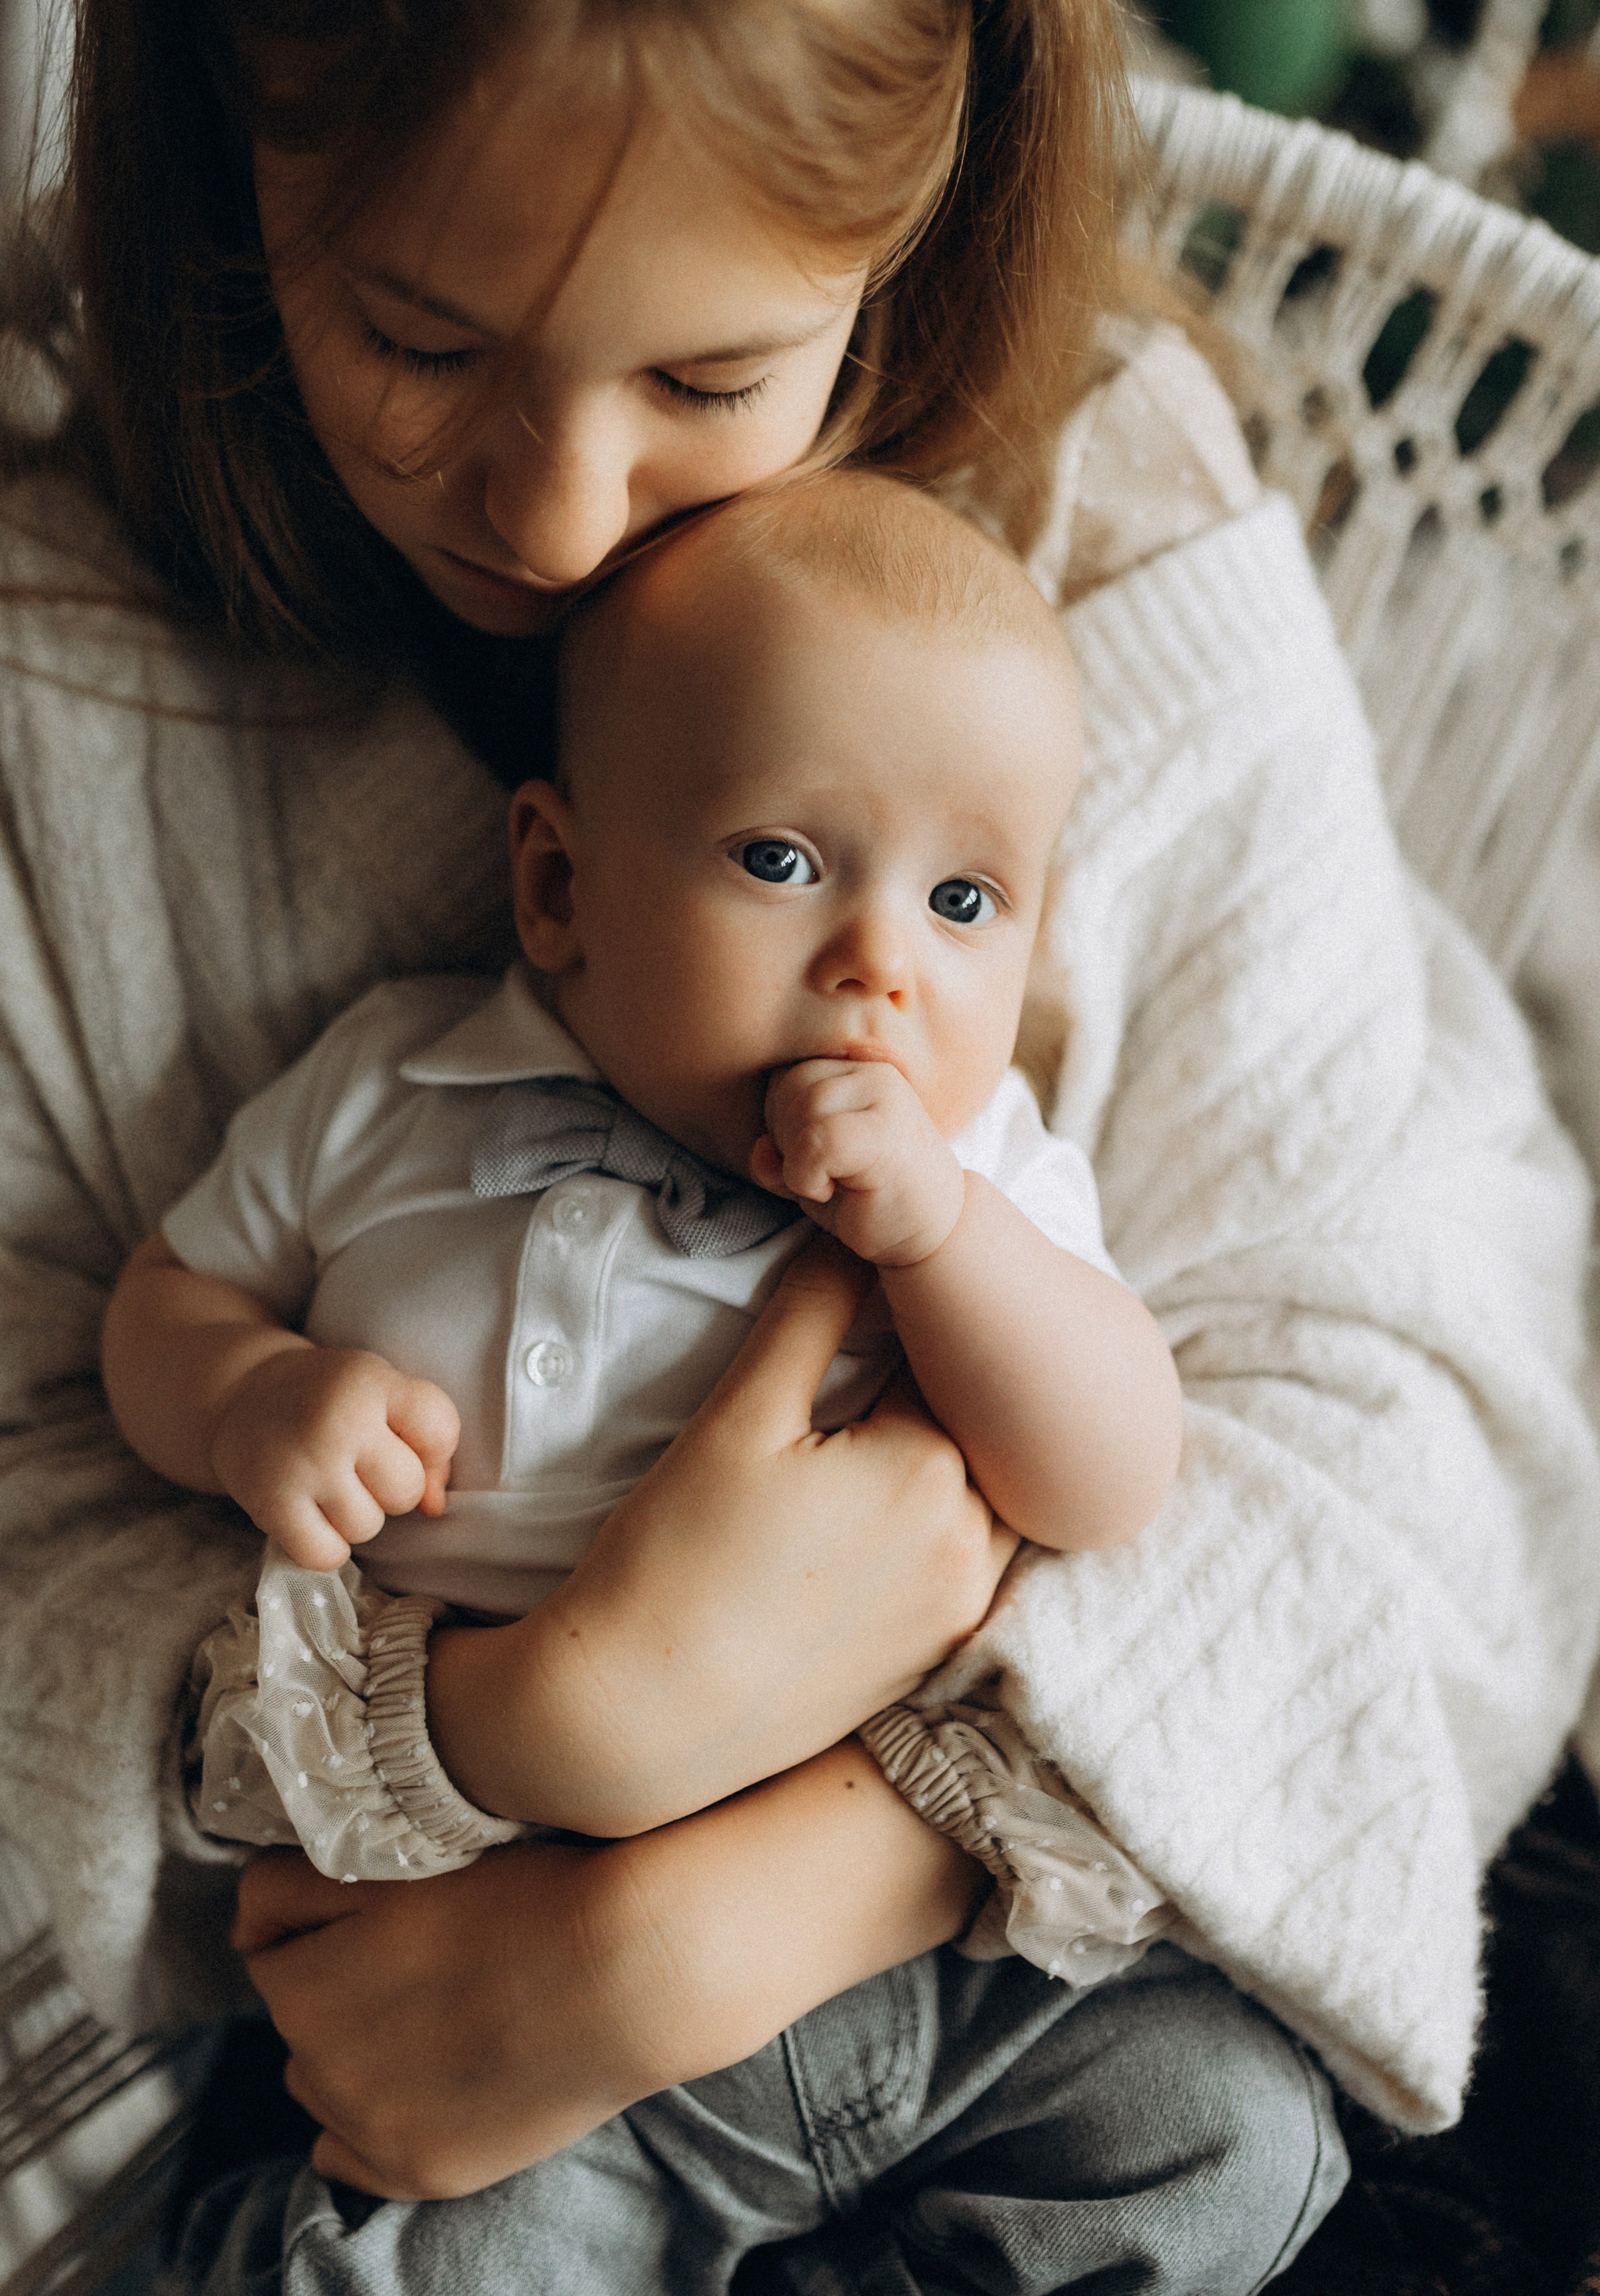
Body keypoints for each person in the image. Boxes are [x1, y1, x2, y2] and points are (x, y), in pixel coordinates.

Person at [0, 0, 1595, 2289]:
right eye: (418, 340)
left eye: (717, 378)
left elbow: (1398, 1440)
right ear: (232, 154)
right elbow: (61, 1431)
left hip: (970, 1942)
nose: (555, 522)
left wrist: (725, 1908)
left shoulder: (1099, 546)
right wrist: (515, 1730)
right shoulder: (71, 648)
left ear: (912, 232)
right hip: (407, 2006)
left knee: (1226, 2142)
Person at [101, 472, 1184, 1885]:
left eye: (961, 901)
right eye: (781, 858)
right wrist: (245, 1393)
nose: (882, 962)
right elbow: (164, 1299)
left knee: (1199, 2099)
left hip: (833, 1873)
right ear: (557, 886)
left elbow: (1109, 1480)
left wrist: (937, 1238)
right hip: (443, 1849)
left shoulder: (979, 1171)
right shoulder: (392, 1084)